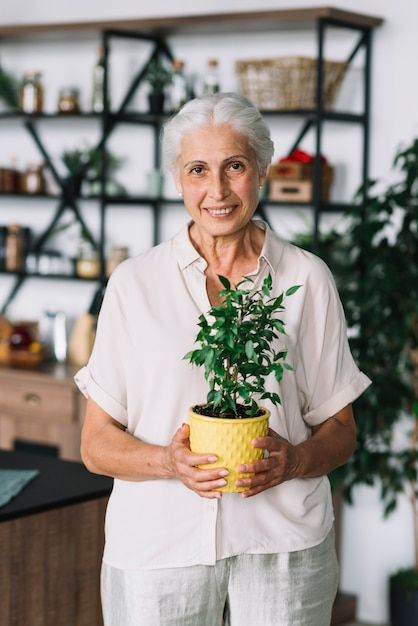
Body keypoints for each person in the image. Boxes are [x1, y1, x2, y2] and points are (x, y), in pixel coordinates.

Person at [75, 93, 371, 626]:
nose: (217, 190)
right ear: (178, 179)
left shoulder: (306, 279)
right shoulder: (133, 285)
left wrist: (294, 462)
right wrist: (168, 462)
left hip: (282, 547)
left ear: (260, 171)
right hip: (158, 551)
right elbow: (96, 445)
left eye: (234, 166)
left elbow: (342, 430)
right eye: (197, 169)